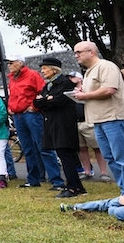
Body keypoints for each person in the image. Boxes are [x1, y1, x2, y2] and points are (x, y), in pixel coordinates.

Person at [72, 42, 124, 193]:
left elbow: (109, 89)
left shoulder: (106, 66)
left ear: (92, 52)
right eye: (75, 52)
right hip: (98, 119)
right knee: (109, 157)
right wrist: (82, 92)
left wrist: (85, 95)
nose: (76, 55)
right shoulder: (89, 71)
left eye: (79, 52)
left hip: (113, 117)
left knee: (123, 158)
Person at [6, 55, 64, 190]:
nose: (9, 65)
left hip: (31, 115)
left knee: (43, 147)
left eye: (11, 62)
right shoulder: (12, 79)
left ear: (20, 63)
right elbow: (13, 95)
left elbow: (43, 92)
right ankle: (34, 179)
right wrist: (10, 106)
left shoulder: (32, 75)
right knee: (27, 149)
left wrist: (35, 107)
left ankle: (56, 181)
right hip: (19, 116)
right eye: (8, 63)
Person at [33, 57, 85, 198]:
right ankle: (76, 185)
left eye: (44, 68)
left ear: (53, 69)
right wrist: (46, 99)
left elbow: (59, 101)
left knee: (66, 154)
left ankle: (73, 187)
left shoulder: (65, 82)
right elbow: (36, 103)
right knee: (62, 154)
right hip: (52, 123)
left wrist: (46, 99)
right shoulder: (48, 85)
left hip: (63, 123)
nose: (42, 71)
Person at [67, 71, 112, 182]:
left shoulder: (87, 90)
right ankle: (87, 171)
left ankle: (103, 172)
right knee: (82, 149)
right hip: (75, 122)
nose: (70, 79)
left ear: (79, 78)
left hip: (88, 121)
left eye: (73, 77)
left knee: (97, 148)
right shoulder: (69, 92)